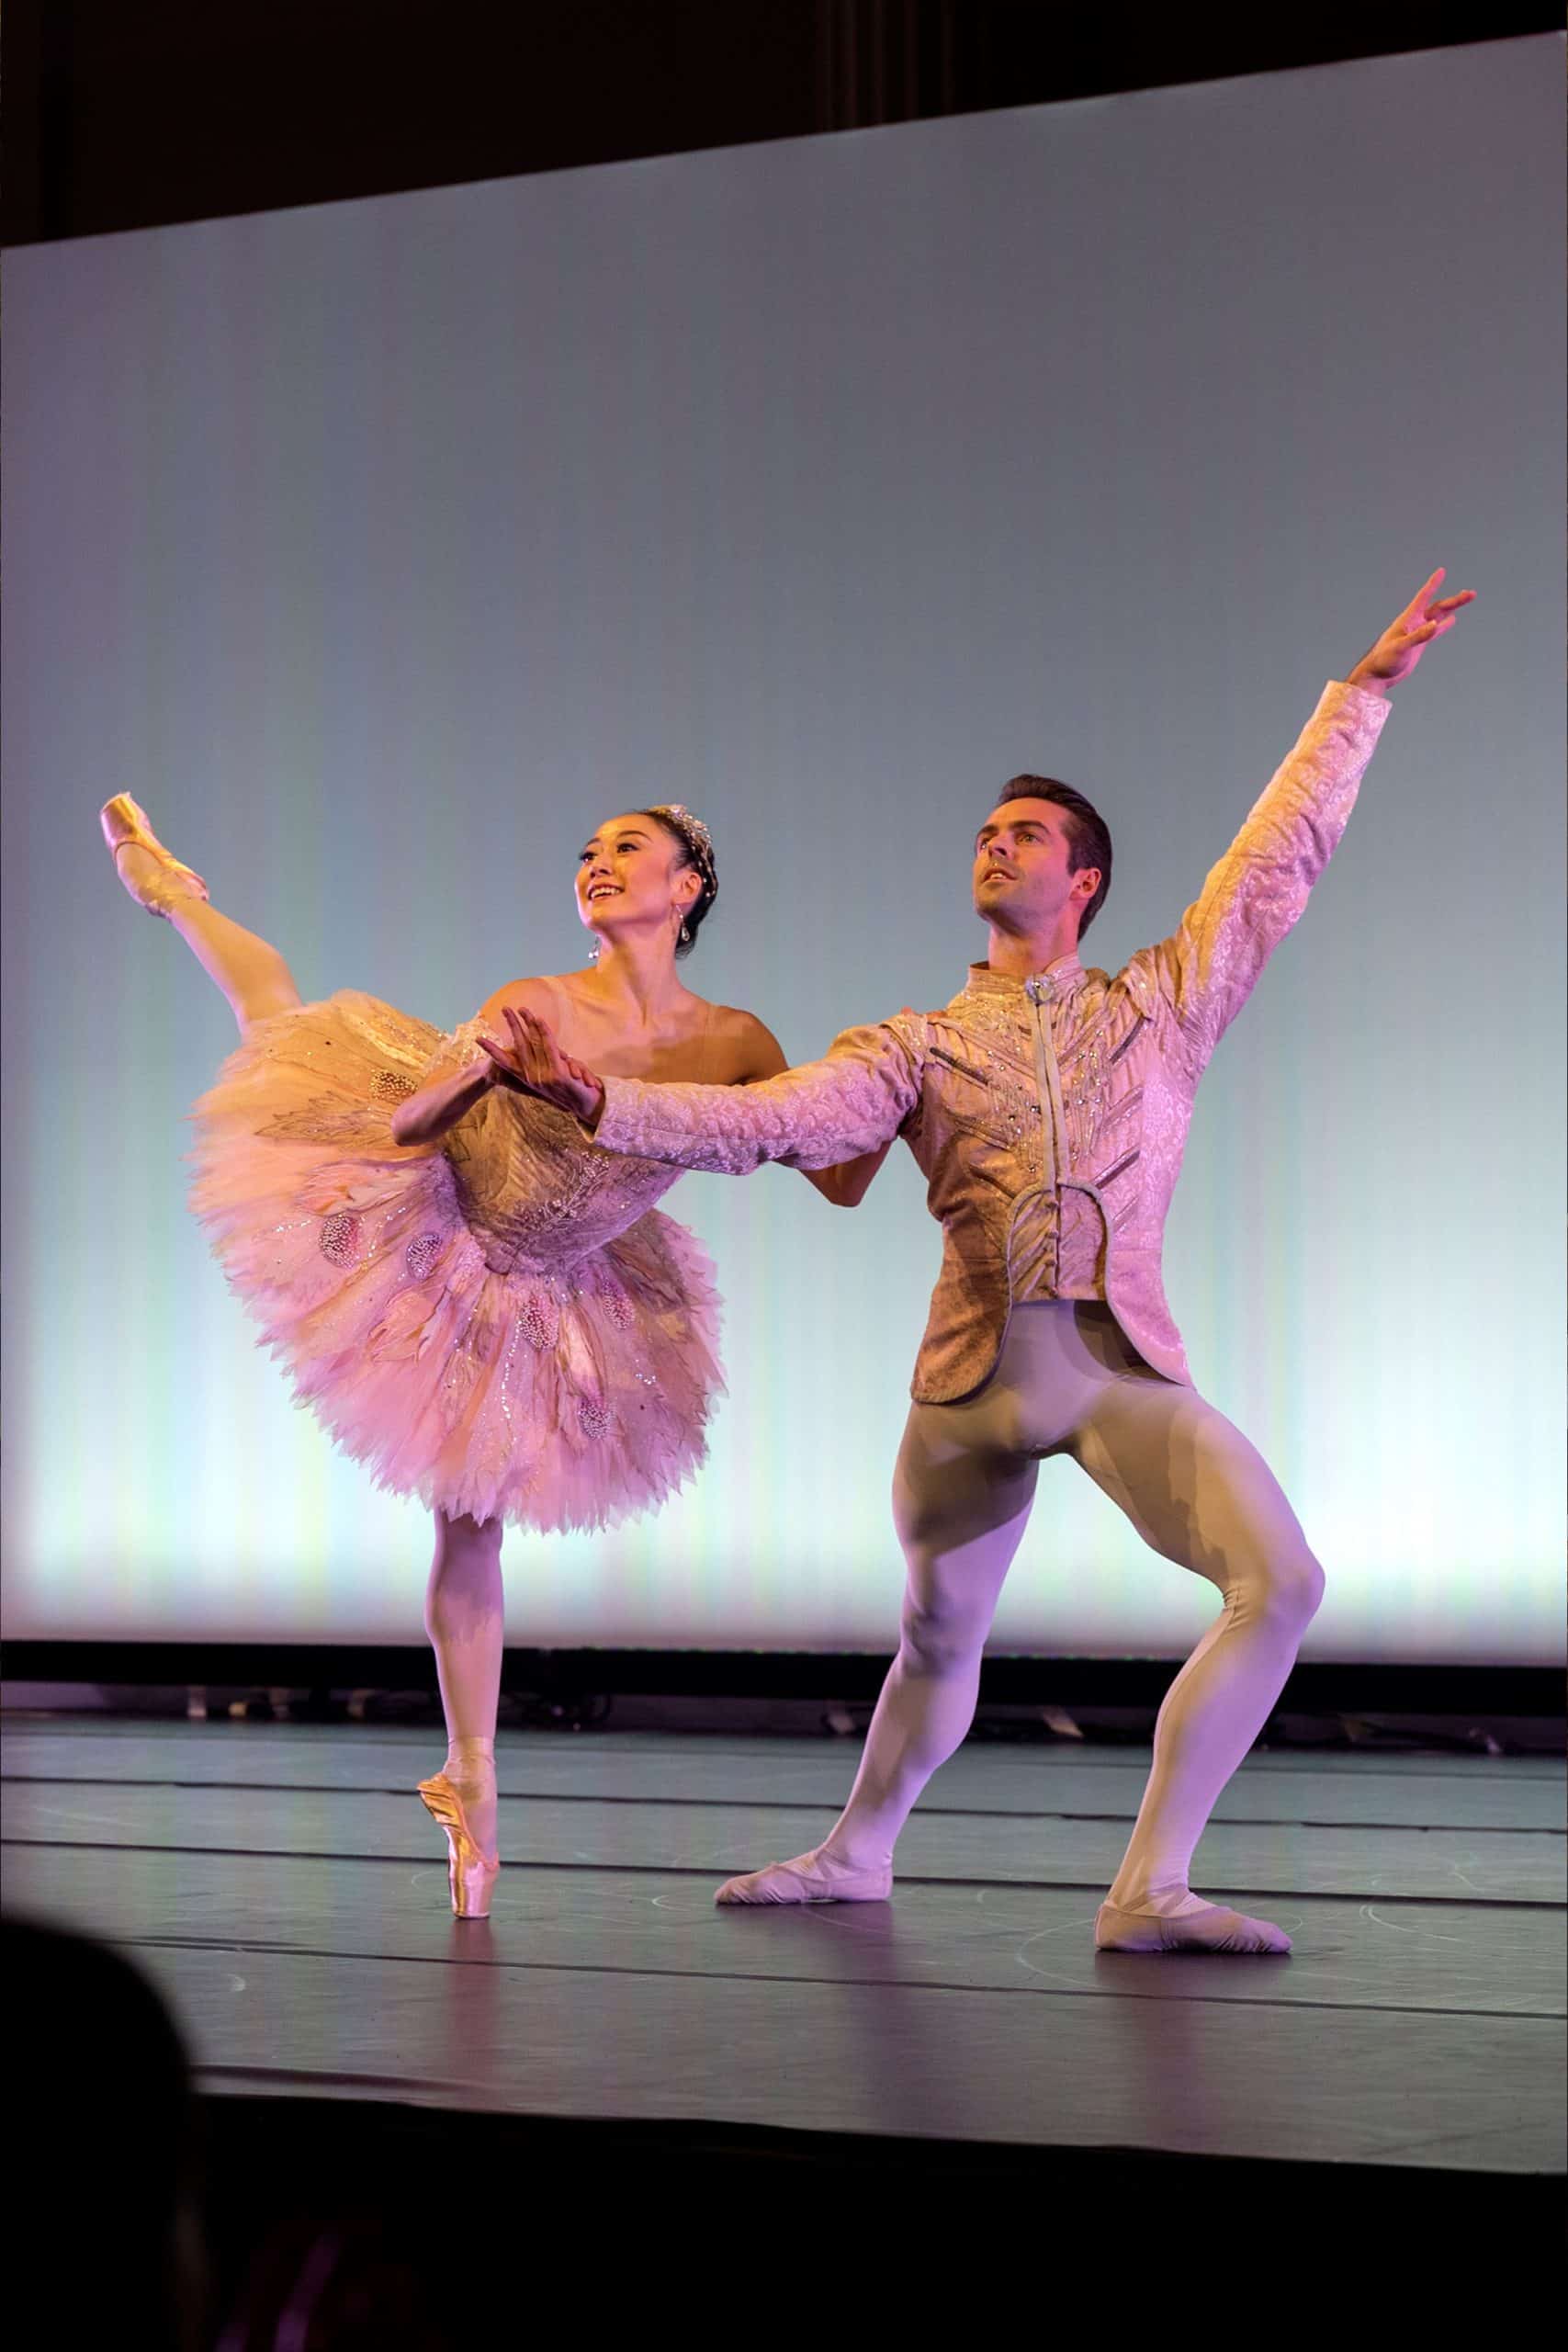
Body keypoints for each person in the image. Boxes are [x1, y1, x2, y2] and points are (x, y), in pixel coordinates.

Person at [491, 570, 1474, 1953]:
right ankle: (854, 1856)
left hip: (1110, 1371)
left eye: (1025, 834)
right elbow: (772, 1122)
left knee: (1281, 1583)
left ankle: (1147, 1887)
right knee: (938, 1640)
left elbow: (1271, 866)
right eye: (984, 831)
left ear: (1081, 880)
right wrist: (603, 1104)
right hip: (967, 1388)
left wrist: (1358, 697)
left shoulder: (1158, 1007)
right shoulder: (916, 1044)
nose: (993, 845)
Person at [100, 797, 886, 1916]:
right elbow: (409, 1126)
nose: (598, 865)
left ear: (688, 886)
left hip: (564, 1272)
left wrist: (897, 1089)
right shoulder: (535, 1000)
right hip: (446, 1208)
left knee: (474, 1514)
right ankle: (169, 888)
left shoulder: (738, 1042)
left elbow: (838, 1175)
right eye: (588, 852)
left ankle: (471, 1780)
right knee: (277, 1014)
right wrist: (478, 1072)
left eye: (627, 849)